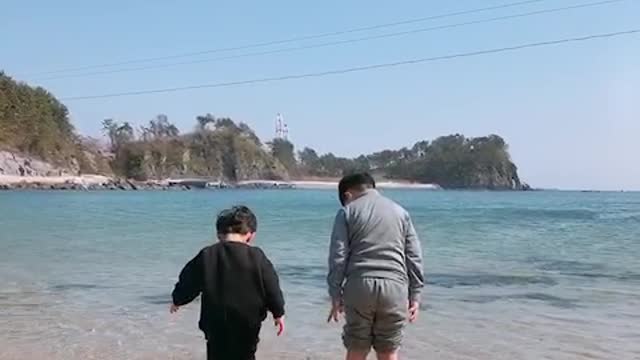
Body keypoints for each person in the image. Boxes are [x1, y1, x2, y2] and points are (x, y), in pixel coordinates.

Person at [327, 173, 424, 360]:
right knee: (388, 349)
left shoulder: (347, 212)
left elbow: (338, 257)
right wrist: (415, 295)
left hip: (359, 286)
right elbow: (414, 256)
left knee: (357, 346)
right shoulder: (401, 212)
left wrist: (335, 293)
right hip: (395, 287)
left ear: (347, 195)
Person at [170, 205, 285, 360]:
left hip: (215, 323)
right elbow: (271, 286)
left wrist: (178, 299)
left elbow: (189, 280)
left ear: (218, 235)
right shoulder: (257, 256)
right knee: (246, 354)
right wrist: (278, 312)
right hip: (247, 322)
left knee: (216, 354)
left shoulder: (207, 254)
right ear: (251, 236)